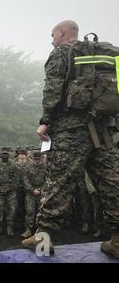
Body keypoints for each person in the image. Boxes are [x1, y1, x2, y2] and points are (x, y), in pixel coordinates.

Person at [23, 20, 119, 258]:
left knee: (59, 179)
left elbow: (53, 89)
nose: (51, 39)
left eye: (53, 34)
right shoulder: (105, 54)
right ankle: (118, 241)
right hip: (105, 128)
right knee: (111, 182)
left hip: (71, 128)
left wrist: (45, 120)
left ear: (62, 32)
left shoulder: (62, 53)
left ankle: (43, 237)